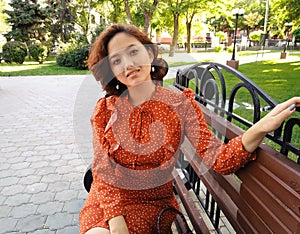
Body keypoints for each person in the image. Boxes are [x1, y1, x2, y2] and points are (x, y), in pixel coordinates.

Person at [79, 23, 300, 234]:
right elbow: (103, 170)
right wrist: (116, 223)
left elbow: (218, 158)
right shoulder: (105, 110)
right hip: (107, 200)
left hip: (151, 204)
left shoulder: (179, 105)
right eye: (116, 60)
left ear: (149, 54)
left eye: (133, 52)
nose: (127, 64)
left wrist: (260, 128)